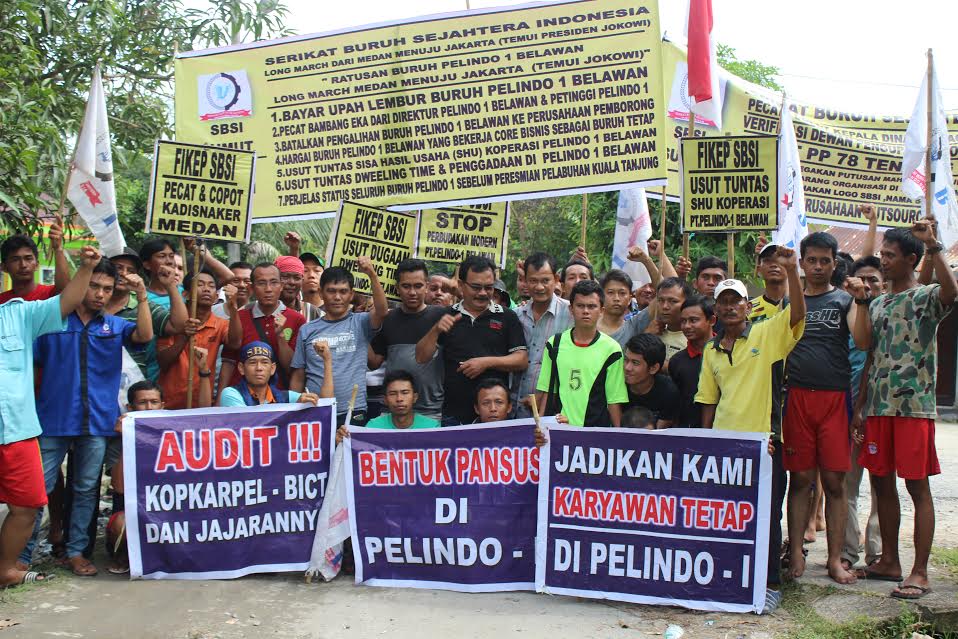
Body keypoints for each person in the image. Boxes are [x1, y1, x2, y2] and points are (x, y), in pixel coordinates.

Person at [24, 255, 154, 577]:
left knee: (86, 490)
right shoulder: (52, 323)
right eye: (94, 286)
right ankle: (21, 556)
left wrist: (141, 296)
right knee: (36, 490)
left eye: (107, 289)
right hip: (53, 419)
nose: (100, 294)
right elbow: (32, 367)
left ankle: (76, 552)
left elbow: (145, 336)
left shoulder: (114, 325)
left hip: (97, 421)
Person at [695, 247, 805, 614]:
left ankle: (769, 582)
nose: (730, 307)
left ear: (747, 306)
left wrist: (792, 271)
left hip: (764, 445)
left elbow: (797, 315)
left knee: (767, 517)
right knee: (726, 516)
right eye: (723, 302)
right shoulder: (711, 351)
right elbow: (708, 401)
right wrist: (707, 443)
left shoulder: (766, 335)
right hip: (725, 447)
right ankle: (728, 579)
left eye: (736, 301)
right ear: (716, 309)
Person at [852, 220, 957, 600]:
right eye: (882, 254)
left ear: (911, 259)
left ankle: (920, 572)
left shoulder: (926, 297)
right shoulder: (878, 302)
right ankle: (890, 562)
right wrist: (860, 406)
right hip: (879, 407)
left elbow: (951, 291)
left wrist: (935, 246)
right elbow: (869, 353)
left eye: (890, 255)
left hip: (913, 409)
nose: (883, 260)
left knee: (917, 486)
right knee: (881, 484)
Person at [0, 245, 99, 587]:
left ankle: (5, 570)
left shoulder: (17, 313)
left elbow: (65, 302)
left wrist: (86, 268)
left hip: (18, 430)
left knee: (28, 504)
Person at [784, 232, 870, 584]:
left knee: (835, 482)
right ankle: (795, 553)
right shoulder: (790, 301)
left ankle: (835, 559)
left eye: (825, 261)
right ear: (802, 263)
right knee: (800, 479)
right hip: (797, 398)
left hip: (835, 399)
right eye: (812, 260)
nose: (818, 267)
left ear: (835, 264)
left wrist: (862, 301)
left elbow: (862, 340)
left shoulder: (845, 301)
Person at [416, 255, 527, 426]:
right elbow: (421, 357)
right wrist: (435, 330)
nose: (482, 293)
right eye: (476, 287)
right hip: (454, 416)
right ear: (461, 285)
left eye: (488, 287)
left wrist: (486, 363)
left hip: (495, 417)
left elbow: (521, 359)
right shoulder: (445, 315)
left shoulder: (507, 317)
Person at [291, 259, 387, 426]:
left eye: (343, 291)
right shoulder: (306, 330)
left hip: (353, 410)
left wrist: (372, 274)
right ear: (321, 293)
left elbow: (382, 311)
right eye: (331, 291)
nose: (337, 297)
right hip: (314, 409)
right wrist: (293, 407)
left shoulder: (361, 322)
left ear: (351, 294)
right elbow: (298, 375)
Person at [536, 280, 626, 427]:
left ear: (601, 310)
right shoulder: (555, 344)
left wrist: (619, 435)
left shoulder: (612, 349)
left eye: (591, 306)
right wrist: (541, 426)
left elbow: (614, 401)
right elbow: (548, 391)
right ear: (571, 309)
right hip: (560, 430)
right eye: (580, 306)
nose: (585, 311)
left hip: (594, 434)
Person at [842, 255, 883, 576]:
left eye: (873, 280)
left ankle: (878, 552)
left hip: (882, 410)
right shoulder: (846, 313)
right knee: (847, 485)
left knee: (882, 486)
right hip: (847, 409)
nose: (867, 285)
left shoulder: (890, 314)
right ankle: (846, 552)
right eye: (862, 280)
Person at [369, 259, 446, 420]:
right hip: (392, 412)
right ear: (397, 288)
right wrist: (361, 332)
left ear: (426, 286)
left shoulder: (441, 316)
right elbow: (374, 362)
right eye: (406, 286)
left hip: (431, 412)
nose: (412, 292)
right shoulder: (388, 319)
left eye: (418, 286)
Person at [157, 269, 242, 408]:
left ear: (216, 297)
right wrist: (184, 336)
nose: (206, 289)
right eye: (200, 284)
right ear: (186, 294)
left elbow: (235, 343)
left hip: (202, 403)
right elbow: (163, 362)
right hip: (169, 403)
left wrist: (233, 308)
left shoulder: (220, 324)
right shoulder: (173, 322)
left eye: (211, 286)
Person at [106, 379, 166, 574]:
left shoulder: (172, 434)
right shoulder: (118, 440)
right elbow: (120, 487)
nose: (149, 408)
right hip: (134, 512)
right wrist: (127, 439)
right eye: (142, 402)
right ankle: (124, 556)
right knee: (120, 523)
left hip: (168, 510)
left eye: (154, 402)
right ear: (130, 408)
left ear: (162, 406)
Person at [106, 249, 187, 382]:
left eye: (130, 271)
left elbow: (179, 326)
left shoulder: (144, 306)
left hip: (131, 385)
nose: (123, 274)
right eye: (118, 268)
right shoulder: (89, 303)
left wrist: (170, 285)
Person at [224, 262, 307, 388]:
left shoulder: (296, 319)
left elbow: (293, 368)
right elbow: (230, 357)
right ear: (252, 288)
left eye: (273, 282)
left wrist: (281, 336)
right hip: (243, 394)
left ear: (281, 286)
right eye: (261, 283)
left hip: (279, 395)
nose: (268, 289)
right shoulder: (240, 316)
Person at [515, 252, 572, 419]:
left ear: (556, 279)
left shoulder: (571, 314)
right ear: (525, 281)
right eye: (533, 281)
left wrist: (545, 395)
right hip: (514, 408)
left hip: (553, 411)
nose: (539, 287)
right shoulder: (516, 315)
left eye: (545, 280)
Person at [220, 341, 324, 407]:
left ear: (272, 369)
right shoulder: (231, 394)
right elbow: (250, 421)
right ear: (241, 368)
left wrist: (306, 403)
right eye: (252, 363)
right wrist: (293, 408)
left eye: (265, 362)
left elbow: (321, 406)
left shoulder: (287, 396)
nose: (259, 368)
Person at [668, 297, 715, 428]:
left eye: (693, 320)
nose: (687, 326)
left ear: (711, 321)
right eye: (683, 321)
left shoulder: (726, 354)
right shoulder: (677, 361)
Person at [0, 223, 69, 303]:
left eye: (28, 258)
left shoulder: (50, 294)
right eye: (15, 260)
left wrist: (58, 249)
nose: (23, 265)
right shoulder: (1, 302)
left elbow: (66, 292)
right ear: (4, 267)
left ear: (37, 265)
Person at [622, 334, 679, 429]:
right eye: (626, 360)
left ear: (653, 368)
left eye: (635, 363)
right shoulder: (617, 384)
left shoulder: (668, 392)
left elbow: (657, 434)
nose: (627, 368)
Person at [365, 370, 440, 430]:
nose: (399, 399)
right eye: (393, 394)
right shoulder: (373, 427)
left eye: (405, 393)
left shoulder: (432, 427)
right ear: (385, 399)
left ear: (415, 397)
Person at [277, 254, 321, 320]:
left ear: (302, 280)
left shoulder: (314, 313)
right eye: (285, 277)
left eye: (297, 278)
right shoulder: (263, 309)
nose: (292, 282)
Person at [301, 252, 325, 320]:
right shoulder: (294, 310)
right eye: (305, 271)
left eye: (317, 271)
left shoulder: (334, 311)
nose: (311, 275)